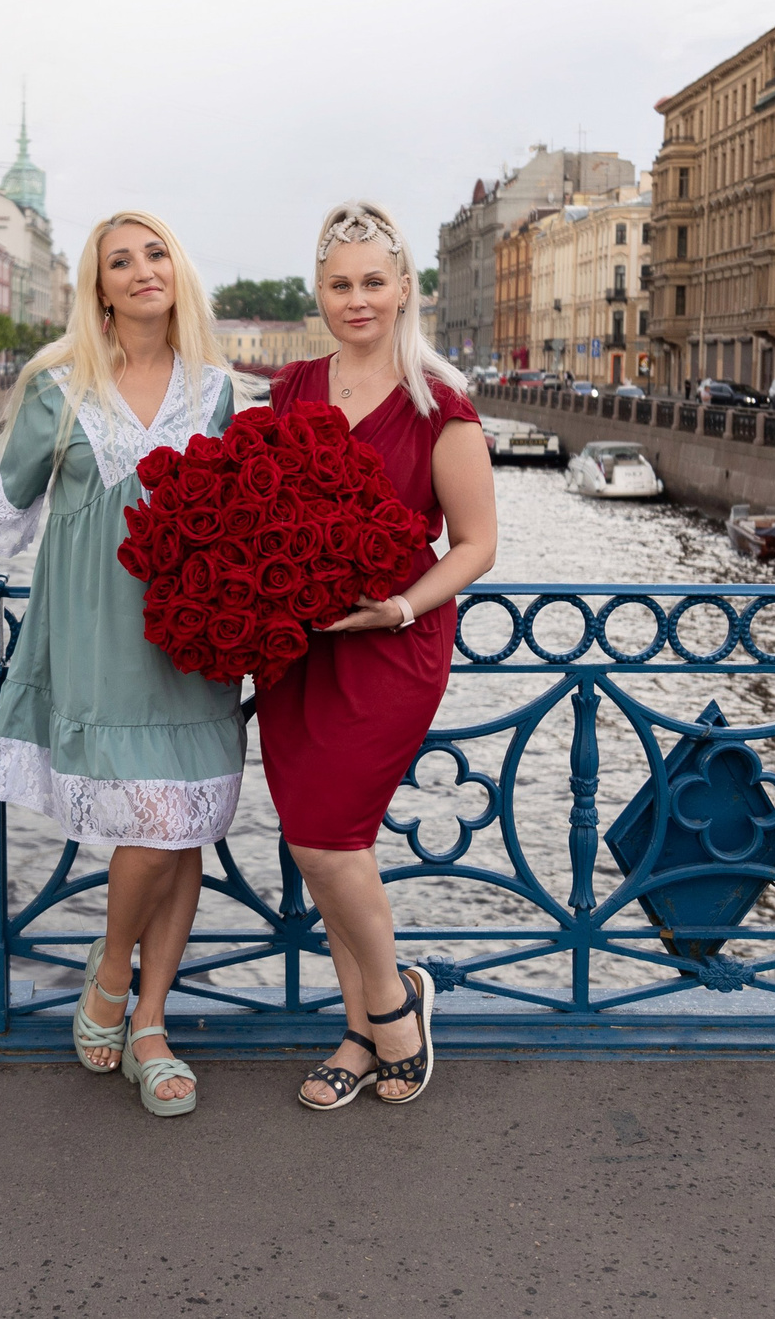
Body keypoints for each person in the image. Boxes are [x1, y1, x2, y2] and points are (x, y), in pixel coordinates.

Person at [0, 211, 241, 1118]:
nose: (143, 271)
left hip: (189, 639)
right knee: (153, 824)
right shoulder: (58, 389)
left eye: (155, 255)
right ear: (97, 287)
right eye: (121, 261)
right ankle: (112, 984)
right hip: (99, 643)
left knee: (181, 832)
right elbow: (8, 495)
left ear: (176, 271)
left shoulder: (218, 392)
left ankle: (144, 1017)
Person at [257, 200, 497, 1111]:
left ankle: (394, 1004)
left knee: (328, 837)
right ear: (318, 291)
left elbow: (475, 544)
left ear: (405, 291)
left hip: (391, 643)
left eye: (373, 283)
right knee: (320, 845)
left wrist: (397, 607)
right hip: (297, 647)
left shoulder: (441, 401)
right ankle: (360, 1031)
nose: (357, 300)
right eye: (339, 284)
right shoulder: (289, 392)